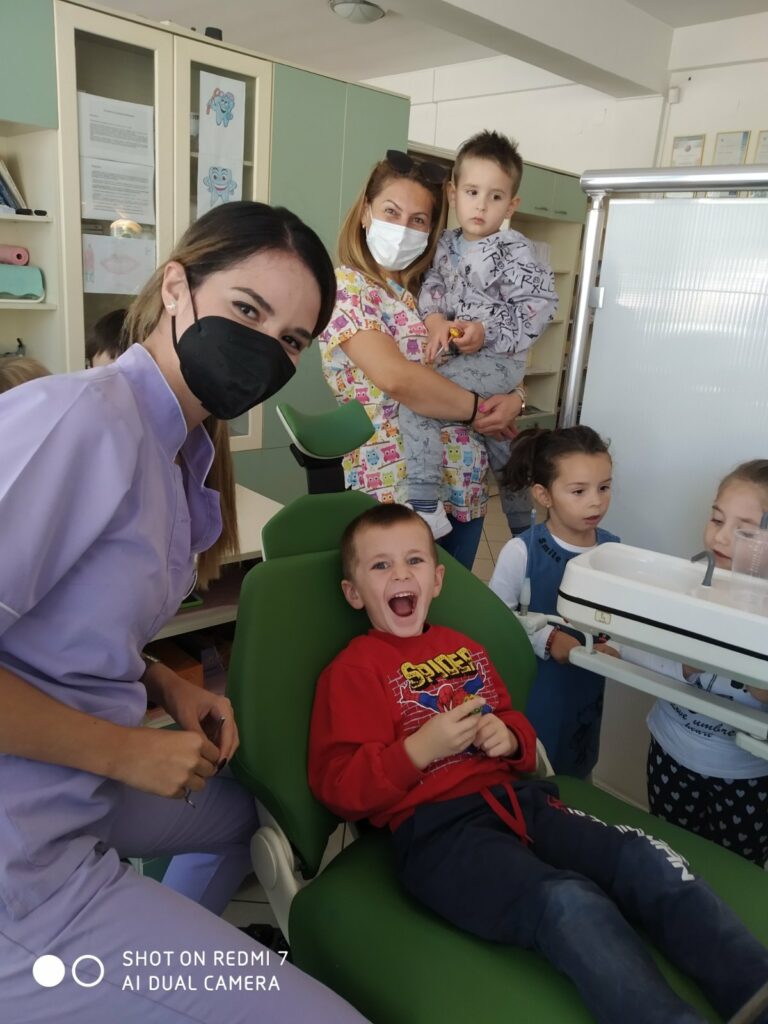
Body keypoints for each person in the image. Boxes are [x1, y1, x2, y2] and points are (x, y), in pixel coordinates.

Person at [0, 200, 369, 1024]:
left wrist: (164, 684)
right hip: (23, 859)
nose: (265, 347)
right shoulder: (79, 420)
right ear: (176, 287)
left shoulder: (177, 451)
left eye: (291, 340)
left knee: (251, 815)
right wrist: (125, 750)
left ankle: (145, 984)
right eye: (247, 309)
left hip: (76, 779)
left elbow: (62, 620)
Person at [308, 502, 768, 1024]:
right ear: (353, 592)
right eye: (380, 565)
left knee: (643, 859)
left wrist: (508, 738)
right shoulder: (353, 671)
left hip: (523, 803)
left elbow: (513, 722)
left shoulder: (465, 648)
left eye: (414, 560)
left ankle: (754, 986)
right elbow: (338, 785)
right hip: (440, 835)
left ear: (436, 580)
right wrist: (417, 750)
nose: (400, 575)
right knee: (570, 902)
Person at [318, 150, 523, 569]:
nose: (402, 229)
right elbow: (398, 379)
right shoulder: (347, 288)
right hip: (397, 486)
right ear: (365, 213)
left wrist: (516, 399)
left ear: (430, 231)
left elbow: (489, 356)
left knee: (454, 605)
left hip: (464, 478)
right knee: (399, 604)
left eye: (417, 220)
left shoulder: (432, 293)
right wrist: (480, 410)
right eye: (391, 212)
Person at [401, 130, 557, 536]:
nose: (481, 205)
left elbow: (540, 307)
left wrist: (486, 331)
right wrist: (435, 320)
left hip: (496, 361)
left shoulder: (514, 250)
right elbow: (433, 286)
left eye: (495, 196)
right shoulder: (445, 244)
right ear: (453, 194)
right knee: (499, 439)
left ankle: (423, 502)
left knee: (418, 403)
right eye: (472, 192)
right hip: (465, 361)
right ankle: (524, 526)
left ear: (512, 204)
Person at [628, 460, 768, 867]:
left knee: (732, 876)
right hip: (671, 755)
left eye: (744, 530)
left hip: (745, 777)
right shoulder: (686, 584)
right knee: (667, 863)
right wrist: (687, 665)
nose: (720, 537)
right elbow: (636, 647)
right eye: (716, 519)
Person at [488, 426, 619, 778]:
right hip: (537, 689)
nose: (596, 502)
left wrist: (616, 646)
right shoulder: (522, 552)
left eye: (604, 487)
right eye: (579, 491)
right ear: (543, 495)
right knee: (533, 772)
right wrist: (547, 639)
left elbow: (622, 618)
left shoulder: (613, 552)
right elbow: (495, 622)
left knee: (576, 772)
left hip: (586, 694)